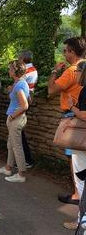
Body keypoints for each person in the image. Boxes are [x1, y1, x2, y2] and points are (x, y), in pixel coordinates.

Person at [48, 37, 86, 211]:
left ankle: (78, 195)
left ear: (72, 51)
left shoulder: (72, 71)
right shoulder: (83, 67)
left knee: (74, 158)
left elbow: (51, 91)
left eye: (65, 50)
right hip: (79, 115)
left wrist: (54, 71)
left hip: (74, 116)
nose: (63, 53)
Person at [0, 60, 29, 182]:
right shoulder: (19, 83)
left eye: (10, 69)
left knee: (16, 146)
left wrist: (13, 116)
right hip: (16, 117)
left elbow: (25, 105)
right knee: (11, 145)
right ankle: (8, 168)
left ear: (15, 71)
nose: (9, 70)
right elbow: (28, 100)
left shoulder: (20, 85)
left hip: (16, 118)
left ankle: (21, 175)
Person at [67, 61, 86, 232]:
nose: (75, 75)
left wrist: (72, 106)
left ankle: (81, 221)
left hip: (82, 143)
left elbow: (84, 114)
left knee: (81, 182)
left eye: (77, 72)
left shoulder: (85, 91)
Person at [18, 50, 38, 168]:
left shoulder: (29, 70)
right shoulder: (30, 70)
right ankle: (24, 159)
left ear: (22, 58)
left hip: (23, 102)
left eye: (19, 58)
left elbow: (18, 83)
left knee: (18, 131)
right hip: (24, 101)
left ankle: (27, 160)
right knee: (18, 131)